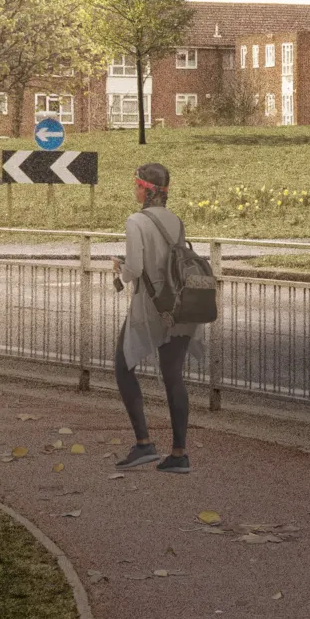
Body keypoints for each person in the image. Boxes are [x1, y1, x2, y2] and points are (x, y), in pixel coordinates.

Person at [113, 161, 202, 473]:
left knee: (123, 366)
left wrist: (119, 270)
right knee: (173, 376)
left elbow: (135, 269)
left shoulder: (135, 221)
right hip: (180, 308)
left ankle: (143, 444)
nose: (134, 188)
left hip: (149, 307)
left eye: (136, 184)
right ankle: (179, 453)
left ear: (146, 189)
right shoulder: (176, 221)